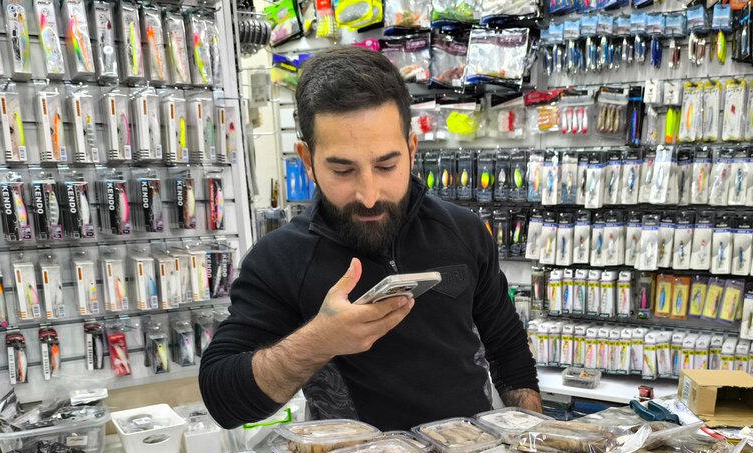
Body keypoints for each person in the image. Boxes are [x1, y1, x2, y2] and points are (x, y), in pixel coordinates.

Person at [199, 47, 541, 432]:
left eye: (386, 165)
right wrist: (321, 340)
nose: (369, 194)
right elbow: (223, 399)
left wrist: (532, 446)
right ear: (307, 161)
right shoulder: (279, 259)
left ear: (412, 151)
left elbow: (508, 348)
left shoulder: (463, 231)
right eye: (343, 169)